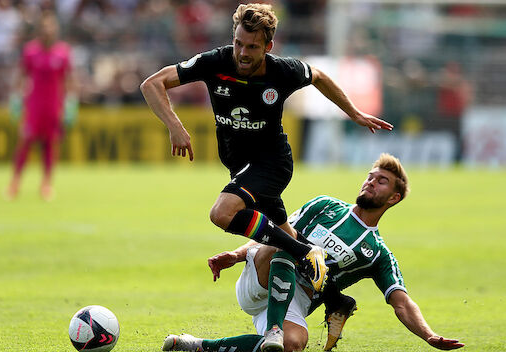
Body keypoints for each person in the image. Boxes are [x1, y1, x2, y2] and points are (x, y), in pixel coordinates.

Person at [140, 3, 392, 292]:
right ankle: (333, 296)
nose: (243, 53)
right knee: (286, 234)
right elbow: (152, 84)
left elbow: (319, 76)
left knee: (221, 214)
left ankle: (305, 254)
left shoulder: (283, 71)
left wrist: (355, 113)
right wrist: (175, 126)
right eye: (238, 43)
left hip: (271, 164)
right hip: (239, 164)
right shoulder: (216, 62)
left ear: (268, 46)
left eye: (252, 46)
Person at [161, 153, 465, 352]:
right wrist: (237, 254)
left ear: (394, 198)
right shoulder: (325, 205)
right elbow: (277, 231)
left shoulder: (377, 254)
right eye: (371, 176)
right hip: (261, 276)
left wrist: (429, 336)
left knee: (295, 344)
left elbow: (401, 302)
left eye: (381, 181)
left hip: (297, 300)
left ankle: (198, 345)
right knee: (291, 245)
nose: (371, 182)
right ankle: (277, 328)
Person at [6, 11, 78, 201]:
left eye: (51, 26)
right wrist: (15, 99)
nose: (48, 30)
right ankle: (15, 182)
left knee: (49, 145)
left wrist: (71, 104)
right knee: (25, 143)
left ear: (56, 29)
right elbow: (21, 76)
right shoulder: (30, 51)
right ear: (40, 28)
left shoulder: (63, 52)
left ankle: (46, 184)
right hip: (34, 105)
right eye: (45, 26)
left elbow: (69, 79)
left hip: (54, 106)